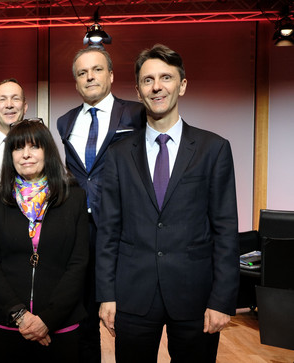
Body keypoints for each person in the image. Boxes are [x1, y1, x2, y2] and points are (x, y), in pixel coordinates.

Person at [96, 44, 239, 363]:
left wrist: (222, 299)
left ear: (182, 85)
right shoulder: (118, 154)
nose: (156, 86)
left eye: (165, 77)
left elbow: (226, 230)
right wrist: (106, 295)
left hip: (195, 295)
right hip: (132, 294)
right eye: (147, 80)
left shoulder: (213, 149)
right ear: (137, 90)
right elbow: (108, 231)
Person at [56, 47, 145, 362]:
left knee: (125, 318)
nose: (89, 76)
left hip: (123, 229)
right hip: (79, 228)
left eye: (96, 70)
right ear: (76, 82)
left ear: (110, 75)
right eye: (82, 73)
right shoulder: (65, 122)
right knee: (82, 314)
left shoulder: (136, 114)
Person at [0, 119, 89, 362]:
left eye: (34, 147)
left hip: (60, 323)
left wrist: (48, 320)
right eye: (18, 148)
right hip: (4, 321)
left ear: (47, 151)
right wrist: (20, 316)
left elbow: (78, 263)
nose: (26, 155)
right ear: (10, 155)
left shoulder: (75, 198)